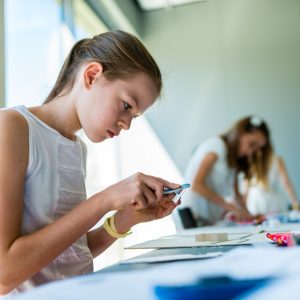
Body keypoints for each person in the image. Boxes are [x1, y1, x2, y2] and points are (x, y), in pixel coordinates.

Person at [0, 30, 182, 297]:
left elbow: (67, 257)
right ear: (92, 75)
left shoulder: (78, 148)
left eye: (136, 116)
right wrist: (105, 199)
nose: (127, 124)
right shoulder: (12, 127)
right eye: (126, 105)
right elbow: (5, 273)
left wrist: (123, 220)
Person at [181, 116, 272, 226]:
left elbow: (236, 194)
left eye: (256, 149)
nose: (250, 152)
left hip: (208, 219)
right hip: (192, 216)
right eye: (252, 144)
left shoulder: (233, 159)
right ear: (240, 134)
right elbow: (196, 185)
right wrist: (230, 207)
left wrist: (248, 214)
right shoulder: (216, 146)